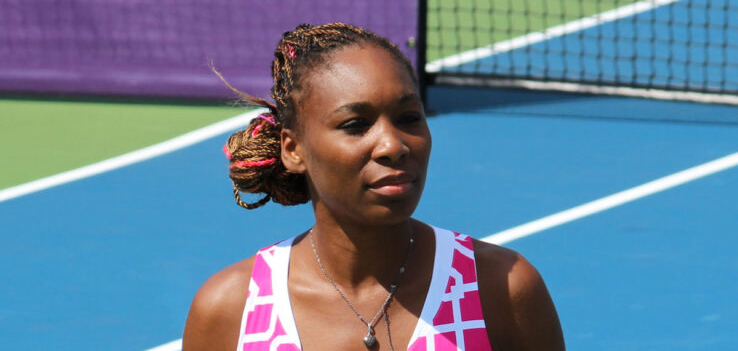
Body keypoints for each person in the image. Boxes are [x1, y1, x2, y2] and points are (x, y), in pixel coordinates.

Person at [183, 23, 564, 351]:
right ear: (293, 149)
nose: (393, 146)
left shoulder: (501, 288)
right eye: (355, 124)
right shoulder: (229, 309)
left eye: (409, 117)